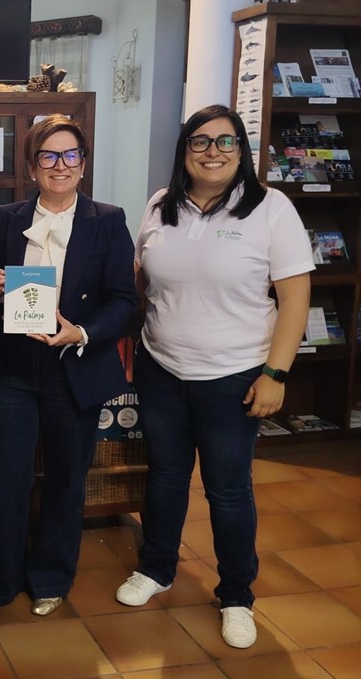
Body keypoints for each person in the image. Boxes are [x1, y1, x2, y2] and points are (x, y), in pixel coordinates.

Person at [115, 104, 313, 649]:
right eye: (200, 141)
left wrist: (275, 373)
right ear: (185, 150)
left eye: (226, 142)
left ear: (241, 151)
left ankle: (236, 595)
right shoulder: (161, 204)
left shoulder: (271, 208)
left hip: (234, 375)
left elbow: (295, 297)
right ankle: (157, 567)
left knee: (227, 490)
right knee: (165, 476)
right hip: (162, 367)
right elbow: (140, 278)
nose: (212, 152)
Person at [0, 115, 137, 616]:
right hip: (14, 370)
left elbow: (124, 301)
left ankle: (50, 578)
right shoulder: (8, 217)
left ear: (83, 165)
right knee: (7, 476)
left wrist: (80, 332)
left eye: (70, 155)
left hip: (73, 368)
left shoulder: (107, 220)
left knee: (66, 479)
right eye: (48, 155)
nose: (59, 165)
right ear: (31, 166)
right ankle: (4, 574)